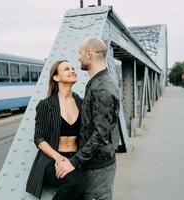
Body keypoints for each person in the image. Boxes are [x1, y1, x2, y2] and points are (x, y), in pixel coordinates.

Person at [56, 38, 120, 200]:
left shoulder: (102, 87)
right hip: (95, 164)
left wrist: (73, 162)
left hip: (98, 169)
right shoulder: (96, 83)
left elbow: (100, 135)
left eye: (80, 53)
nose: (78, 57)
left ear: (89, 54)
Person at [26, 60, 86, 200]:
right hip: (52, 160)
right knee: (77, 183)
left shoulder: (81, 103)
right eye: (66, 69)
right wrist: (59, 158)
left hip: (75, 159)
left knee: (79, 194)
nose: (72, 70)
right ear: (56, 77)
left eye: (72, 68)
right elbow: (39, 138)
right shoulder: (45, 105)